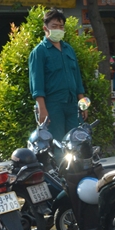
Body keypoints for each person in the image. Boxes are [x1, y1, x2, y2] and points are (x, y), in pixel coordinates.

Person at [29, 8, 87, 149]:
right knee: (57, 144)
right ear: (45, 28)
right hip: (52, 105)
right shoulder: (39, 52)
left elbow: (77, 78)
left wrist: (83, 104)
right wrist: (42, 108)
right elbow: (37, 84)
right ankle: (59, 171)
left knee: (75, 143)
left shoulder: (69, 49)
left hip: (72, 104)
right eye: (54, 26)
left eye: (61, 27)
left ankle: (73, 171)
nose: (58, 30)